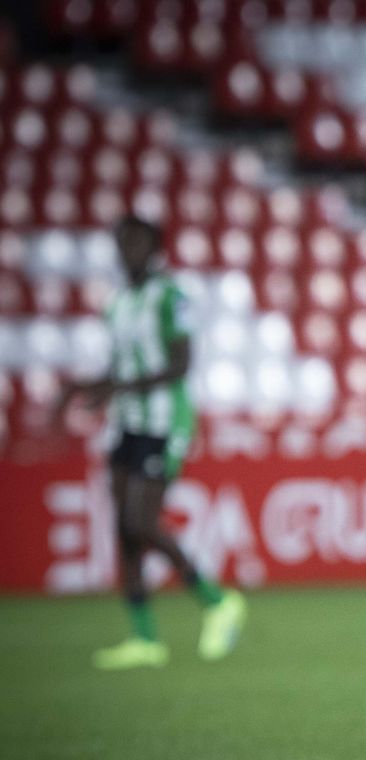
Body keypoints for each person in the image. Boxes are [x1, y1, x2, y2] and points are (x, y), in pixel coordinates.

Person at [57, 214, 246, 669]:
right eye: (122, 242)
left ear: (155, 245)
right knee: (124, 527)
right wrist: (81, 388)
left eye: (137, 242)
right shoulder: (117, 302)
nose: (129, 251)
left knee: (142, 520)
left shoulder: (171, 296)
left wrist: (115, 389)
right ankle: (144, 638)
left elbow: (179, 364)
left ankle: (218, 602)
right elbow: (120, 367)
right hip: (125, 424)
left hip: (164, 422)